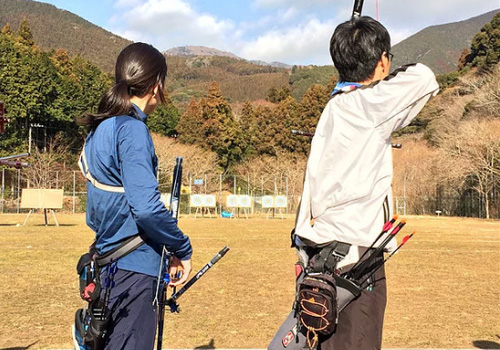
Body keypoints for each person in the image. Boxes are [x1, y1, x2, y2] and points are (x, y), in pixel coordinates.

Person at [292, 16, 439, 350]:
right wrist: (377, 79)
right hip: (354, 264)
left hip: (317, 261)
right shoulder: (365, 106)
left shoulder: (336, 106)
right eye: (384, 58)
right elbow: (424, 76)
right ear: (382, 61)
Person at [75, 42, 193, 350]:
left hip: (107, 264)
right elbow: (146, 209)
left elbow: (96, 212)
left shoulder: (101, 128)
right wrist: (181, 246)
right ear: (156, 86)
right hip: (134, 270)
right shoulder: (131, 130)